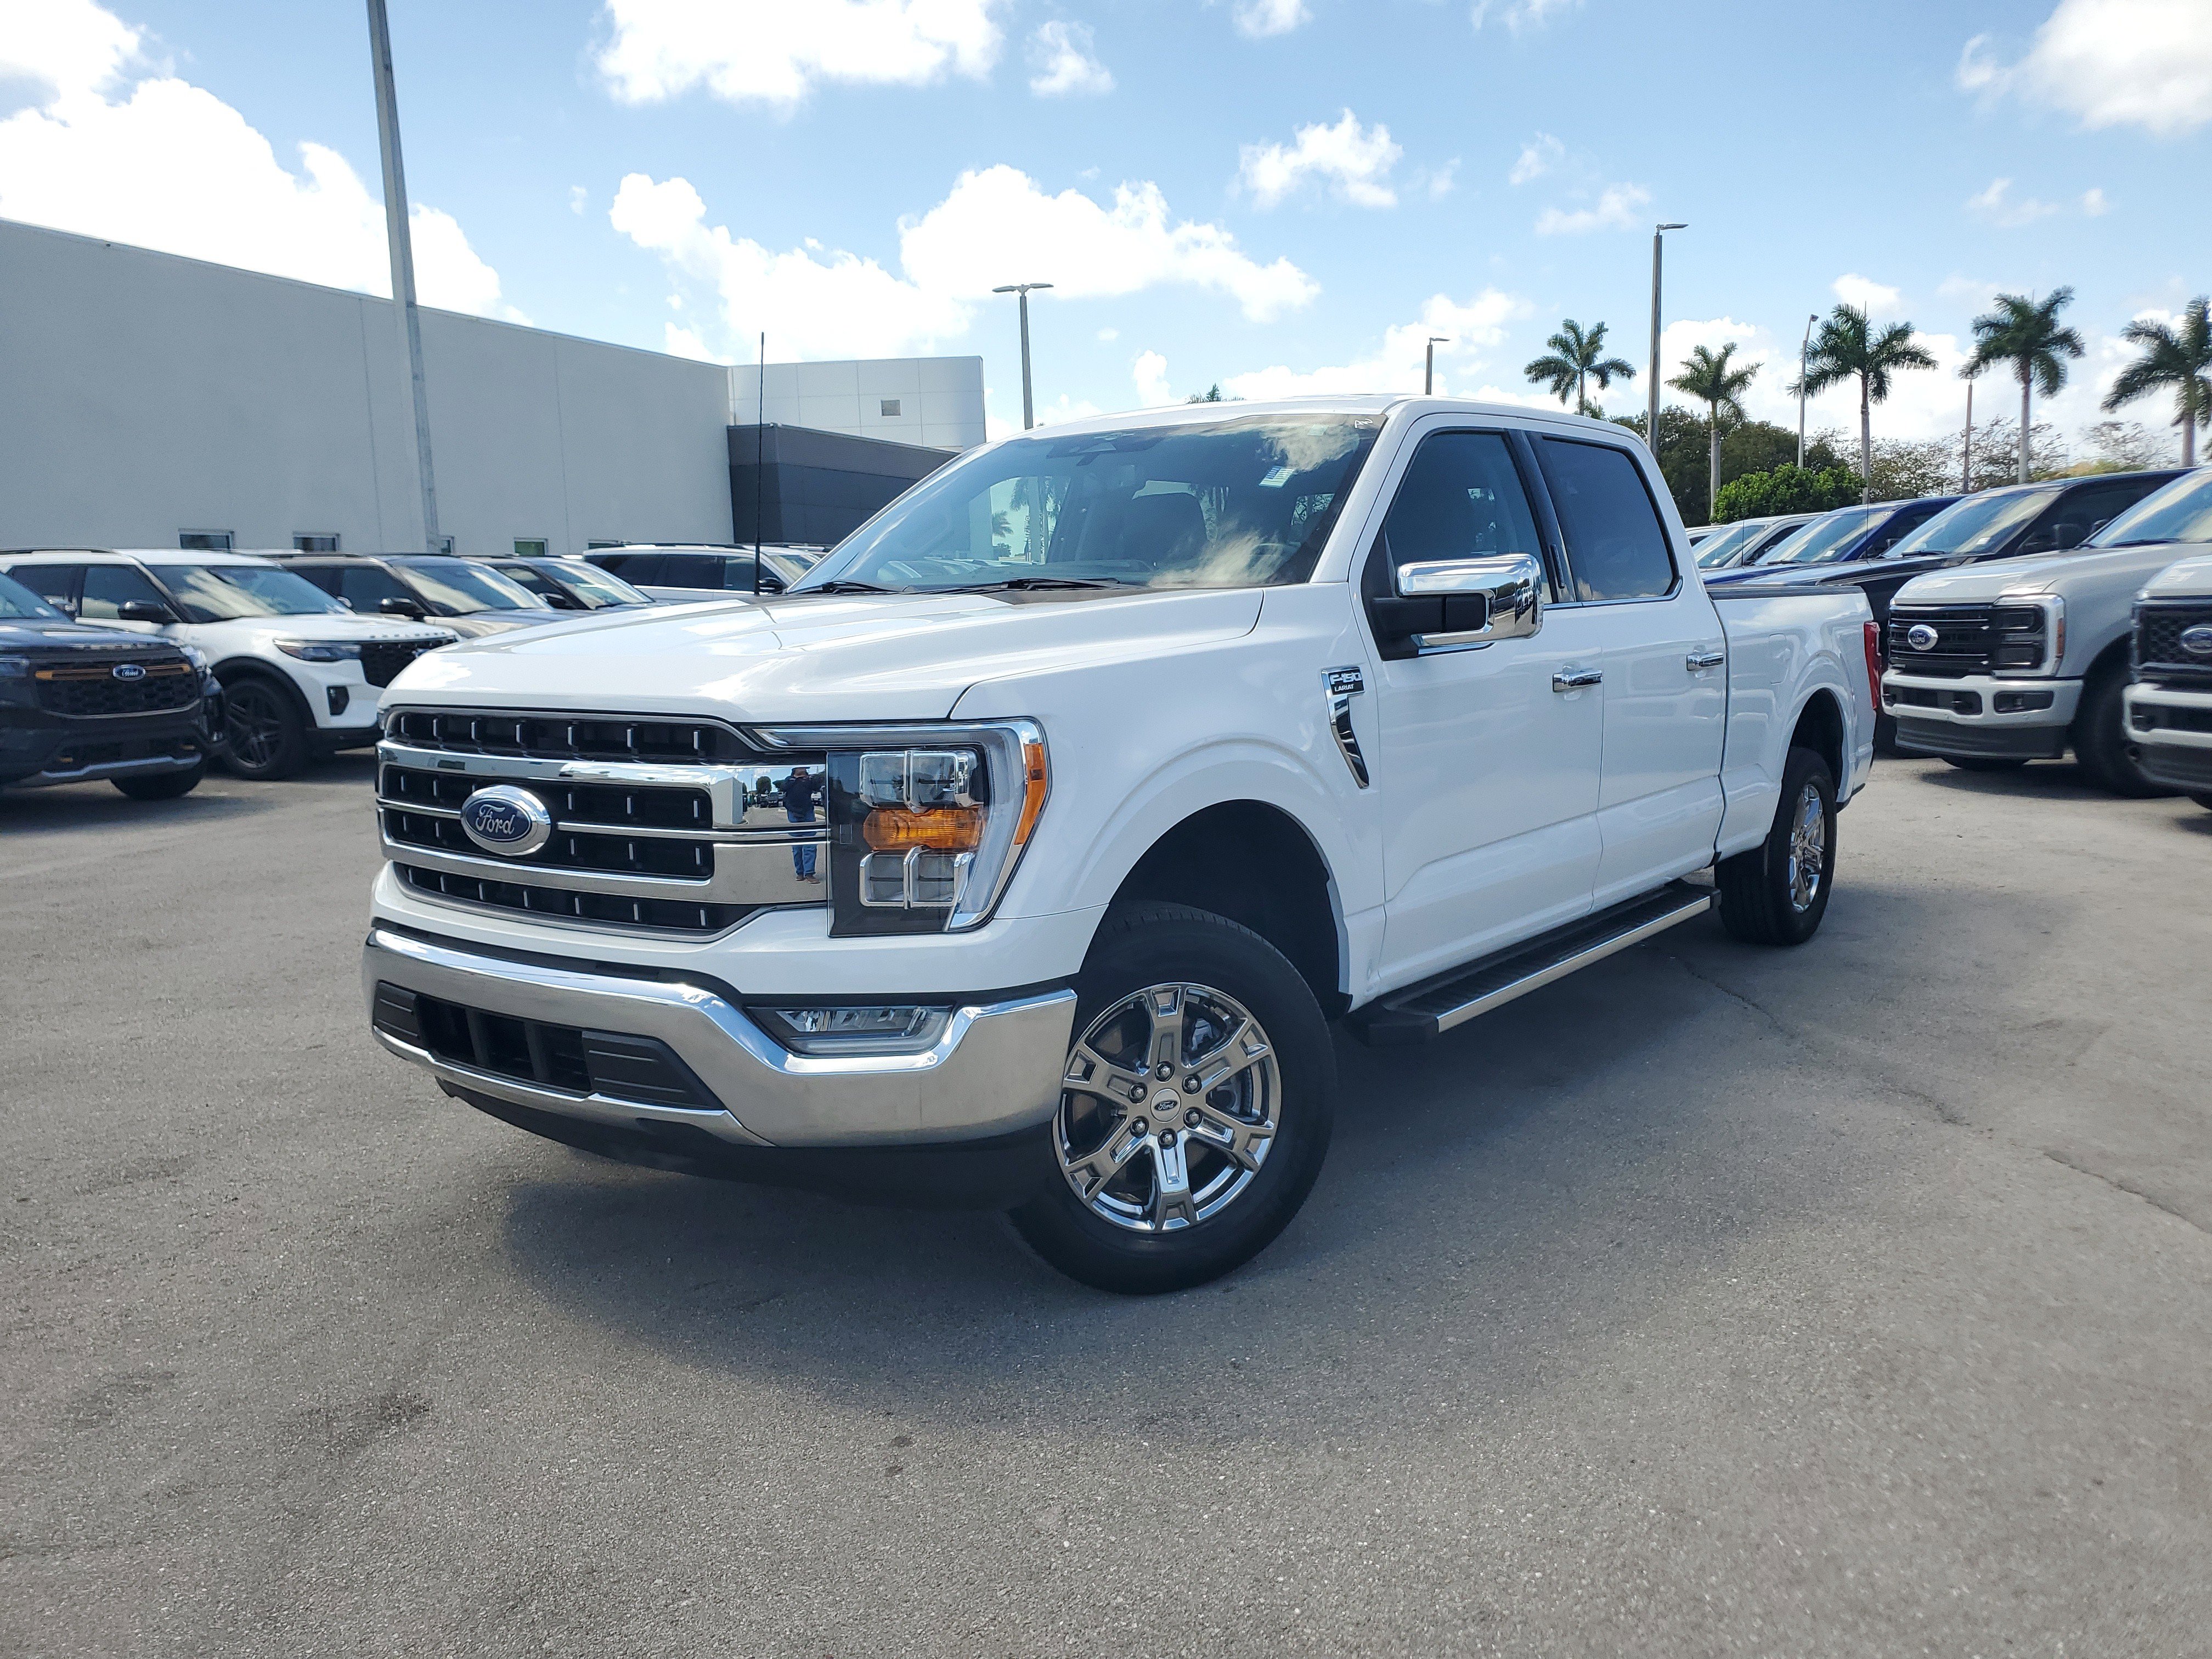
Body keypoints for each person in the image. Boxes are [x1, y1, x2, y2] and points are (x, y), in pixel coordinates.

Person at [780, 765, 823, 883]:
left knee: (810, 844)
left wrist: (812, 778)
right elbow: (783, 787)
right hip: (793, 813)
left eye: (805, 768)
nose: (803, 769)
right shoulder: (789, 780)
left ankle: (809, 873)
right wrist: (795, 779)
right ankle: (800, 872)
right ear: (794, 770)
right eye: (801, 768)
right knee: (797, 845)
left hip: (808, 812)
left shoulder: (809, 780)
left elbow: (818, 784)